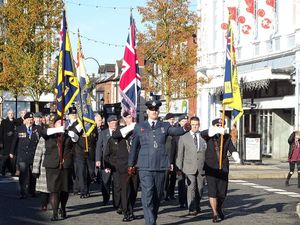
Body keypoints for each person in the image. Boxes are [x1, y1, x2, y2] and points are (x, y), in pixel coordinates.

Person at [128, 100, 191, 225]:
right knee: (148, 194)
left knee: (157, 196)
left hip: (161, 165)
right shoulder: (139, 126)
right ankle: (150, 222)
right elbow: (134, 147)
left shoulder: (164, 126)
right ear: (147, 112)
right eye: (152, 109)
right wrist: (131, 164)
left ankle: (153, 218)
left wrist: (184, 128)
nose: (154, 111)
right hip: (145, 166)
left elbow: (175, 131)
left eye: (156, 109)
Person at [201, 118, 240, 223]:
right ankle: (214, 213)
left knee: (222, 193)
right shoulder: (208, 135)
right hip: (211, 167)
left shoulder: (226, 136)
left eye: (221, 125)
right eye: (217, 125)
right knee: (212, 191)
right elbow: (203, 133)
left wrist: (236, 156)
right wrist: (215, 130)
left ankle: (219, 208)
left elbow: (231, 148)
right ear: (214, 126)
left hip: (223, 168)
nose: (220, 127)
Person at [42, 114, 78, 221]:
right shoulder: (49, 132)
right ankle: (54, 213)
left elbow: (76, 140)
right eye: (59, 122)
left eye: (64, 122)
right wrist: (57, 129)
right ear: (55, 123)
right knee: (54, 190)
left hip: (65, 164)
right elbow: (45, 133)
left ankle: (63, 208)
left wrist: (73, 134)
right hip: (52, 165)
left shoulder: (67, 134)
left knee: (64, 190)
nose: (63, 124)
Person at [176, 116, 206, 215]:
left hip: (201, 167)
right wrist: (178, 167)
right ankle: (191, 207)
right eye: (193, 125)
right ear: (190, 125)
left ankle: (197, 204)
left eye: (196, 125)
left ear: (199, 125)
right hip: (189, 167)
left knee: (200, 188)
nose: (195, 127)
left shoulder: (203, 136)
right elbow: (180, 154)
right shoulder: (184, 137)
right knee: (191, 187)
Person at [110, 112, 137, 222]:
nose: (131, 118)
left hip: (136, 164)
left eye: (132, 117)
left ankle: (131, 209)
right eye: (128, 117)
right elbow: (115, 135)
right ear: (125, 118)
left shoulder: (138, 129)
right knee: (125, 189)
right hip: (123, 164)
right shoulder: (121, 129)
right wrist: (130, 126)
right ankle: (126, 212)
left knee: (134, 189)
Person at [10, 112, 41, 199]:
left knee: (33, 175)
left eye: (31, 120)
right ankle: (23, 192)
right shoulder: (20, 129)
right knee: (23, 175)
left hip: (33, 155)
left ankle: (31, 190)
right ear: (25, 120)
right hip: (22, 155)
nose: (30, 121)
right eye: (28, 119)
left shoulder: (37, 129)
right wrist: (11, 152)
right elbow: (14, 141)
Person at [95, 115, 118, 206]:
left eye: (115, 123)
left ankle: (116, 201)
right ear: (108, 123)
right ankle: (106, 197)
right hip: (106, 161)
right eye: (112, 123)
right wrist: (98, 159)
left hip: (116, 161)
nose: (114, 125)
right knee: (106, 181)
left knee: (116, 182)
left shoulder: (119, 132)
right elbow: (98, 147)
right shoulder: (103, 133)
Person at [172, 114, 189, 208]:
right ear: (179, 122)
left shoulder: (190, 132)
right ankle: (182, 201)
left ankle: (188, 200)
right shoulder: (176, 134)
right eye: (183, 121)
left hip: (189, 161)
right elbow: (173, 149)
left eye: (186, 121)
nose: (185, 122)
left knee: (189, 182)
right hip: (179, 161)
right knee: (181, 182)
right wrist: (171, 162)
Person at [32, 135, 50, 211]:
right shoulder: (44, 138)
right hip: (44, 166)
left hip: (57, 166)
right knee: (44, 189)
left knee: (55, 189)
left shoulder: (61, 136)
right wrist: (35, 169)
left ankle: (55, 206)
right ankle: (44, 204)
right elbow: (38, 153)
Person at [163, 113, 177, 201]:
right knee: (165, 177)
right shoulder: (164, 129)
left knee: (173, 177)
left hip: (174, 156)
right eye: (170, 119)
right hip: (166, 156)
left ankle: (171, 193)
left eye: (173, 119)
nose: (172, 121)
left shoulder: (175, 130)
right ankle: (164, 194)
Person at [0, 109, 17, 176]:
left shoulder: (15, 122)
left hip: (13, 142)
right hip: (5, 142)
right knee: (4, 158)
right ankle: (2, 171)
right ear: (7, 114)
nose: (11, 114)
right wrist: (1, 142)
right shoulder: (4, 121)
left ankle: (11, 171)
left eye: (12, 113)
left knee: (12, 158)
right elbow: (1, 132)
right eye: (10, 113)